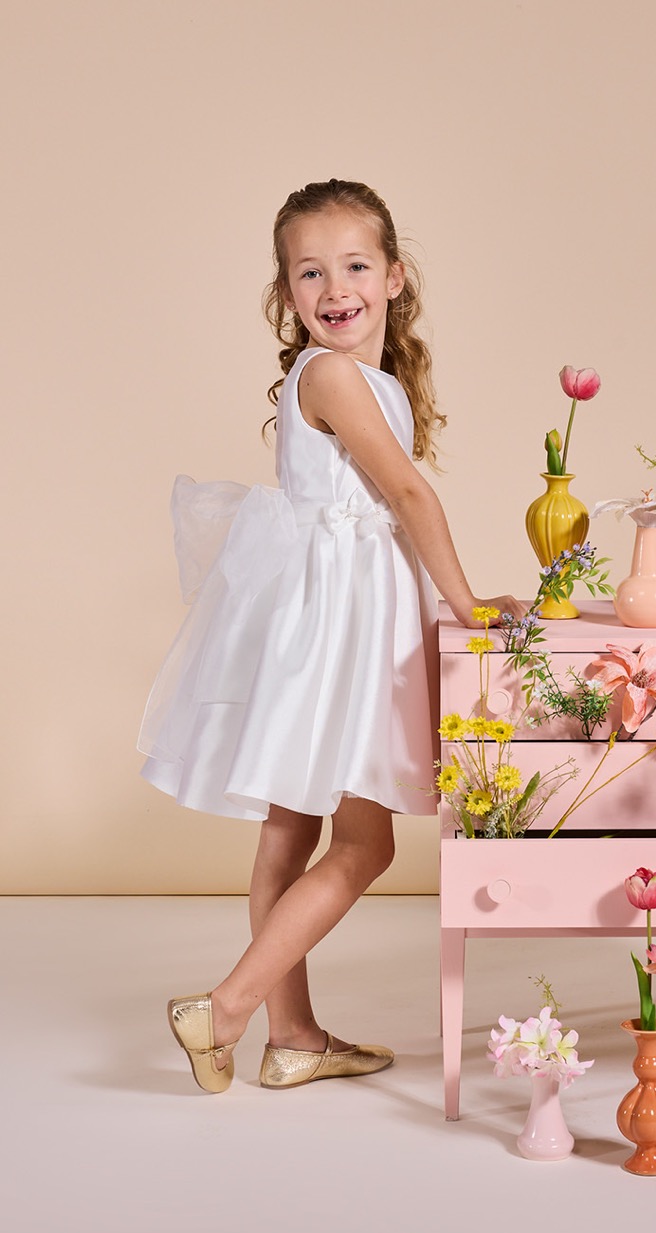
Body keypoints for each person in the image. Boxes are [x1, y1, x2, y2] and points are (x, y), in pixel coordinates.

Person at [139, 178, 520, 1093]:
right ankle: (228, 1007)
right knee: (365, 845)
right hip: (342, 630)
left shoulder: (360, 378)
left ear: (394, 276)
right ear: (286, 292)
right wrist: (466, 604)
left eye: (354, 265)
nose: (334, 287)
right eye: (309, 272)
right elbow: (409, 495)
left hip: (323, 618)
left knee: (289, 834)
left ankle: (296, 1037)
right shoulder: (334, 374)